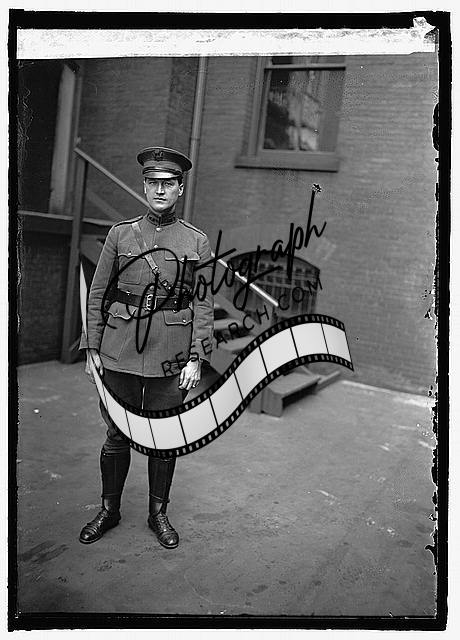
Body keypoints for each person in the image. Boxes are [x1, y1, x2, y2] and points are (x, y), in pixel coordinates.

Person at [79, 146, 214, 549]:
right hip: (119, 350)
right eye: (153, 182)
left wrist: (197, 356)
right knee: (116, 433)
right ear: (143, 186)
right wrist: (92, 349)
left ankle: (158, 514)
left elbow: (204, 304)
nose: (159, 190)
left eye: (168, 183)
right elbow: (98, 293)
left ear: (180, 189)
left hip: (171, 355)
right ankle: (109, 510)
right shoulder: (121, 234)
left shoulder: (196, 241)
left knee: (163, 436)